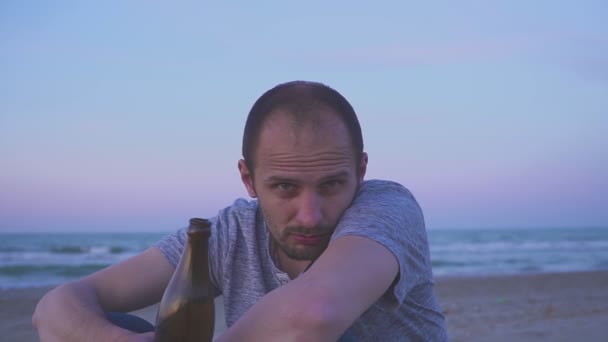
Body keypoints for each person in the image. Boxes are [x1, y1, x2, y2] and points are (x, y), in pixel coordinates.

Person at [33, 81, 447, 341]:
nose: (309, 215)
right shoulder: (231, 232)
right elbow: (57, 305)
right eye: (285, 187)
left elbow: (314, 314)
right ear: (248, 179)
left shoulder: (388, 207)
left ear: (360, 172)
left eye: (332, 184)